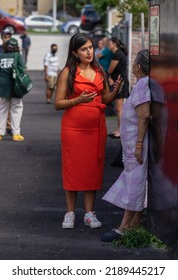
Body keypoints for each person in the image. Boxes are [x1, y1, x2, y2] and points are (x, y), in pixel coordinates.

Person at [54, 33, 123, 229]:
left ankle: (89, 213)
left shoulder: (99, 71)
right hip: (73, 129)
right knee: (72, 168)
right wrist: (77, 100)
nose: (89, 51)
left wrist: (115, 91)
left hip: (95, 128)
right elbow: (58, 104)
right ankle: (70, 213)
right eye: (84, 49)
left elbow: (105, 100)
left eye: (91, 47)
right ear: (75, 52)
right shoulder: (68, 72)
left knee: (92, 169)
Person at [101, 49, 151, 242]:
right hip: (133, 145)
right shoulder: (143, 84)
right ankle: (134, 223)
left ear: (138, 67)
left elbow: (144, 116)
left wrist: (138, 145)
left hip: (136, 146)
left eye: (133, 63)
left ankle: (124, 226)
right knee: (135, 180)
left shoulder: (142, 85)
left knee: (134, 182)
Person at [0, 38, 26, 142]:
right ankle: (16, 133)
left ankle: (0, 133)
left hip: (2, 87)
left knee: (2, 109)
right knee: (16, 109)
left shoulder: (0, 57)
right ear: (16, 47)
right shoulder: (17, 56)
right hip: (15, 87)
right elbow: (23, 70)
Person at [108, 37, 130, 138]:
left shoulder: (117, 54)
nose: (108, 45)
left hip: (120, 82)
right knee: (119, 108)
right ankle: (118, 129)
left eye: (109, 43)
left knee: (119, 108)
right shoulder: (118, 53)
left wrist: (110, 76)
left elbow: (110, 70)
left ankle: (120, 131)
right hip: (120, 81)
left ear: (114, 44)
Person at [0, 28, 13, 136]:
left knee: (9, 105)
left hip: (10, 82)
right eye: (5, 37)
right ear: (2, 38)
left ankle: (9, 127)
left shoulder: (14, 50)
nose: (7, 39)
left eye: (9, 37)